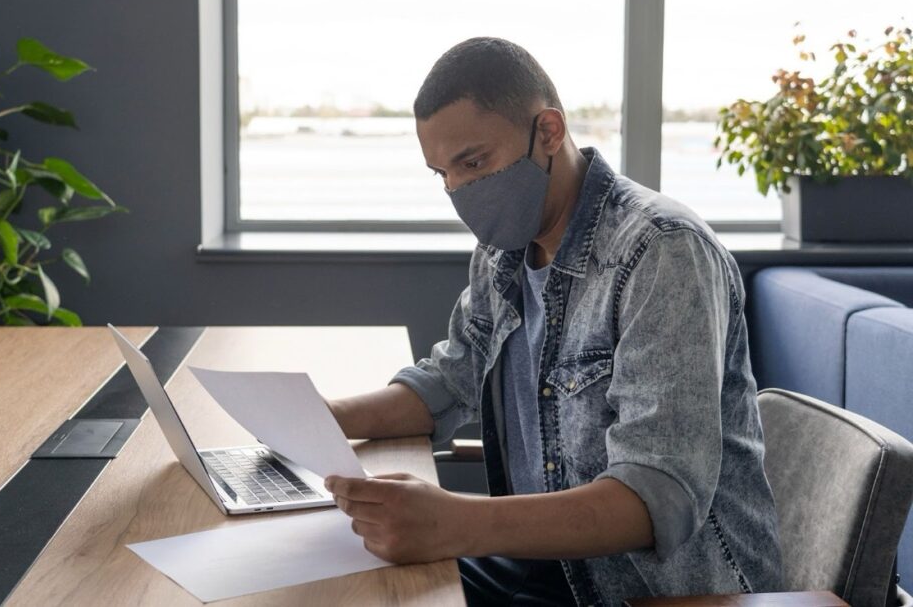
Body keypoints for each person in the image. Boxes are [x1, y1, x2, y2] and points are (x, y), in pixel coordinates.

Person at [324, 37, 782, 606]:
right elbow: (450, 380)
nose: (460, 191)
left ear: (549, 131)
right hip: (548, 568)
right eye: (442, 174)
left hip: (659, 592)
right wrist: (318, 420)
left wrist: (454, 522)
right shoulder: (505, 249)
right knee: (343, 581)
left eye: (474, 162)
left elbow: (657, 495)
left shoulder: (663, 253)